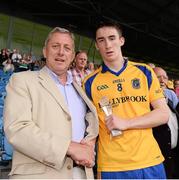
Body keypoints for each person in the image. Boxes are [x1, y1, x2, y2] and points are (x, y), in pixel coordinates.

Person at [3, 27, 99, 179]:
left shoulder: (80, 89)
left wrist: (89, 144)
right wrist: (69, 148)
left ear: (72, 56)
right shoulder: (22, 81)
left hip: (81, 173)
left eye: (67, 48)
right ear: (45, 51)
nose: (61, 52)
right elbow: (17, 129)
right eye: (55, 46)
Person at [83, 21, 170, 179]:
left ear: (121, 41)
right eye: (101, 40)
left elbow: (163, 114)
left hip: (150, 161)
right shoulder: (89, 82)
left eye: (112, 38)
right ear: (96, 45)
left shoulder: (144, 72)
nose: (108, 45)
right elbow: (88, 124)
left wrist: (127, 123)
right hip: (113, 166)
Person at [153, 67, 179, 178]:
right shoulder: (146, 105)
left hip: (173, 158)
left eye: (165, 77)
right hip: (158, 161)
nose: (162, 80)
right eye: (158, 77)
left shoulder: (169, 101)